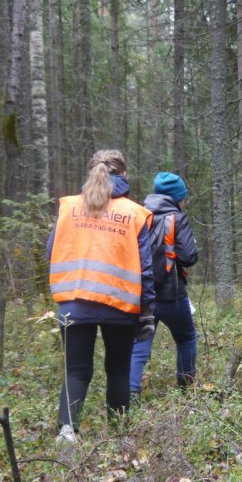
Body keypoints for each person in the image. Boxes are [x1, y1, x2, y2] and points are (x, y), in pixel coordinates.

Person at [47, 150, 154, 443]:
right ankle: (119, 437)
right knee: (118, 371)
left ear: (90, 172)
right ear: (124, 175)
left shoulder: (69, 208)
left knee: (77, 371)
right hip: (120, 305)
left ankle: (67, 433)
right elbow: (146, 268)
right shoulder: (133, 213)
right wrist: (147, 312)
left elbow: (50, 251)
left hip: (74, 302)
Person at [129, 172, 199, 396]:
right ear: (177, 198)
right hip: (172, 294)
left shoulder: (138, 215)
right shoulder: (177, 219)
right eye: (183, 197)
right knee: (186, 338)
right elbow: (189, 257)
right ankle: (186, 389)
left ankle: (130, 395)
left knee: (139, 346)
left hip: (142, 294)